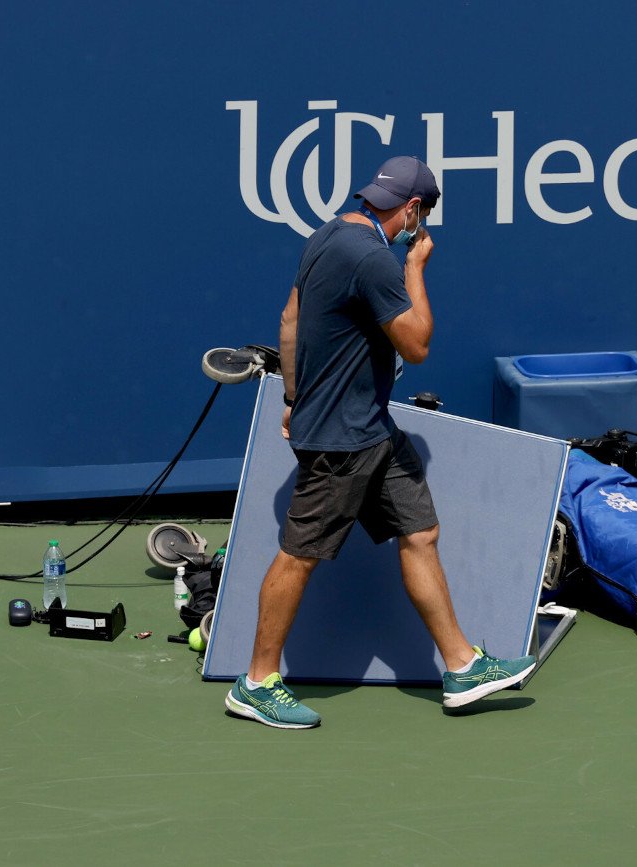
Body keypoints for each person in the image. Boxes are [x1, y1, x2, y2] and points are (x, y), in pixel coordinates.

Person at [224, 157, 536, 730]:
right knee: (299, 556)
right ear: (413, 211)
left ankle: (462, 665)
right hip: (343, 441)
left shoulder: (325, 235)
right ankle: (256, 682)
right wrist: (416, 265)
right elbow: (416, 345)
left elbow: (290, 319)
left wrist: (293, 396)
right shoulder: (375, 258)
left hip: (371, 430)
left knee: (420, 532)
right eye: (422, 216)